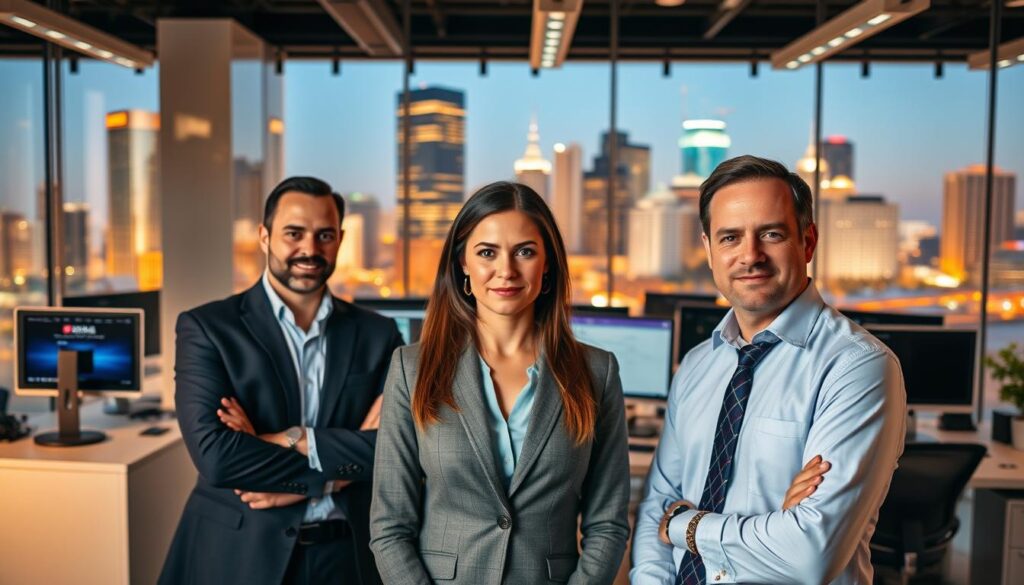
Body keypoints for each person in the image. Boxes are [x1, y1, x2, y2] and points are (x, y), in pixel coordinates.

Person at [630, 155, 906, 585]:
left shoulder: (858, 367)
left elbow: (810, 556)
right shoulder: (698, 365)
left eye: (771, 234)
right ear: (708, 250)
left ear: (808, 242)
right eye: (730, 238)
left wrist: (687, 526)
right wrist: (772, 525)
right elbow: (656, 507)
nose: (750, 255)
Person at [369, 181, 631, 584]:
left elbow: (608, 524)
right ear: (463, 264)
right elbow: (389, 525)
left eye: (524, 252)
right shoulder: (412, 368)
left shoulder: (597, 372)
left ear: (547, 266)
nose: (505, 270)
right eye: (487, 252)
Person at [160, 177, 404, 585]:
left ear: (340, 239)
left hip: (351, 556)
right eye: (294, 233)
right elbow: (218, 459)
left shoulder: (379, 335)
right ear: (264, 236)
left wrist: (281, 438)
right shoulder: (207, 328)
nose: (310, 249)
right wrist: (329, 477)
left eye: (324, 235)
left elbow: (399, 450)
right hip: (240, 554)